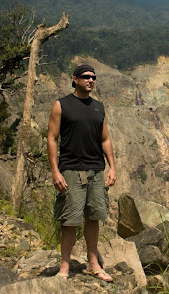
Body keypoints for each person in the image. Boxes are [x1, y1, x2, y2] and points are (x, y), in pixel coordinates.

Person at [47, 64, 116, 281]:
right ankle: (65, 267)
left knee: (94, 217)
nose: (91, 80)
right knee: (70, 219)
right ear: (75, 79)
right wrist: (55, 171)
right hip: (71, 169)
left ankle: (92, 263)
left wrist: (112, 166)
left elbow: (105, 139)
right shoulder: (62, 105)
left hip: (96, 169)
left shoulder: (99, 107)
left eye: (94, 77)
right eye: (86, 77)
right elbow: (51, 138)